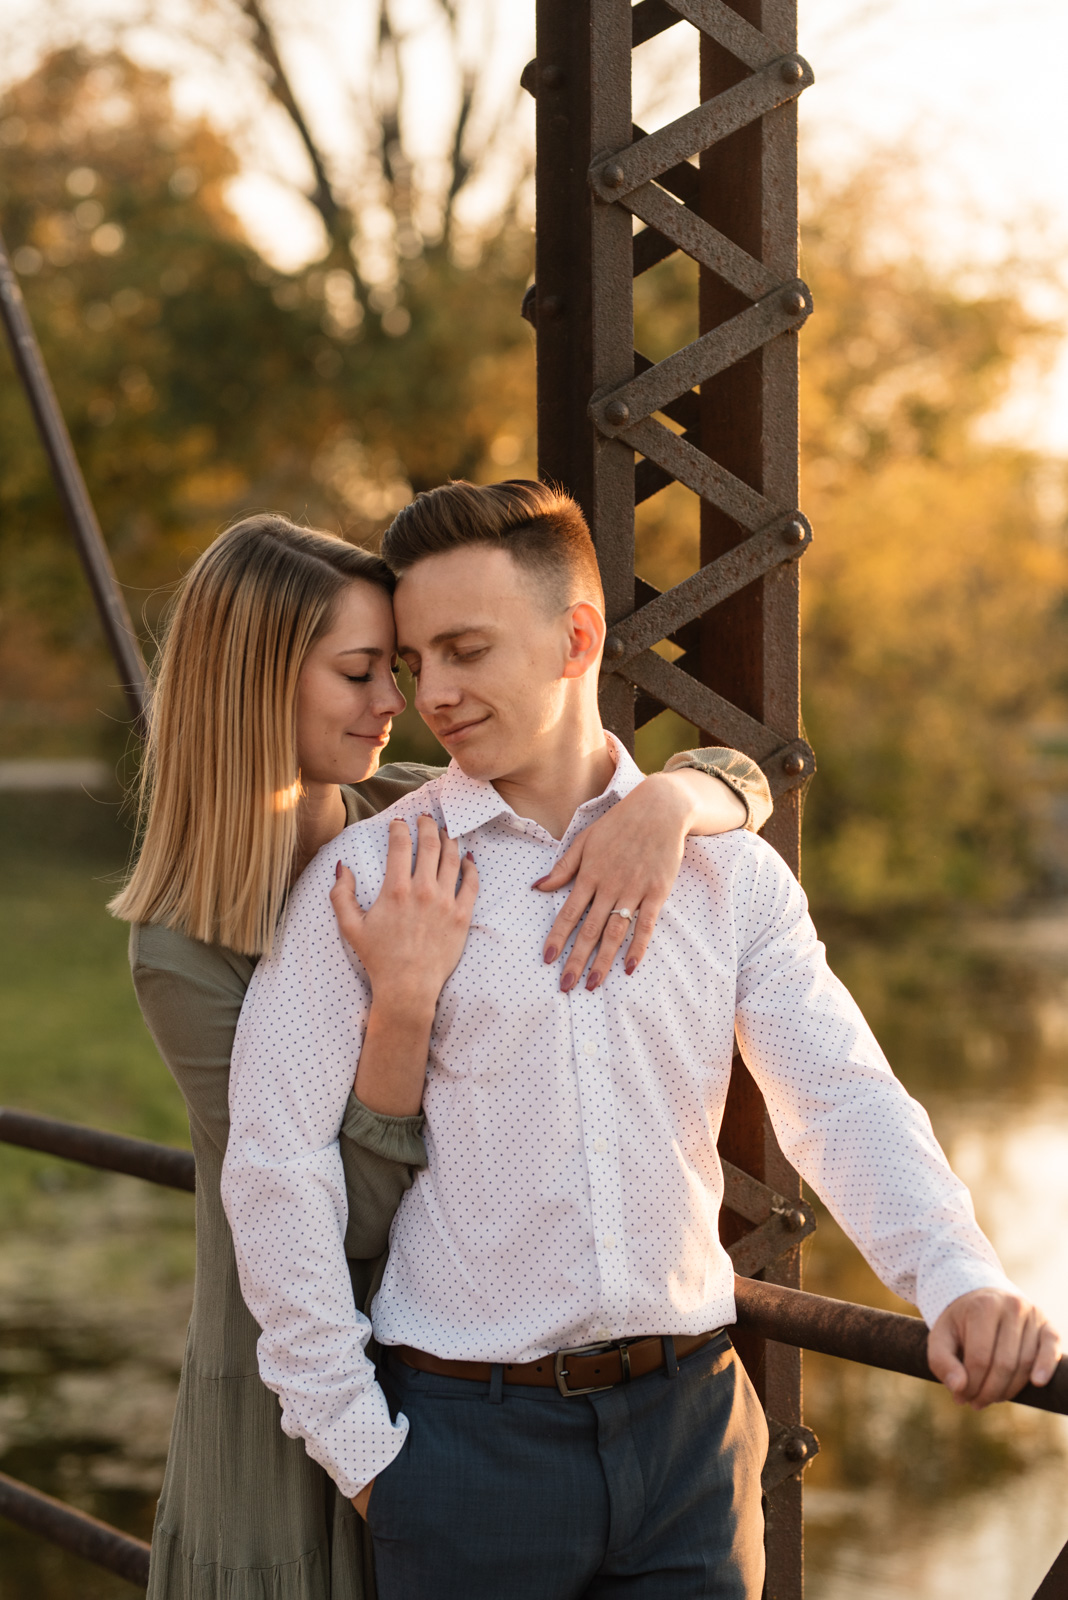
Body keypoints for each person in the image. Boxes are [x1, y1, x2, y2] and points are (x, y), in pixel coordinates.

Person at [222, 481, 1062, 1600]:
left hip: (693, 1444)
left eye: (466, 650)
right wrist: (367, 1455)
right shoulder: (371, 876)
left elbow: (841, 1096)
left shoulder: (726, 875)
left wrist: (957, 1277)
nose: (434, 693)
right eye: (417, 659)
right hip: (467, 1448)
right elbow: (275, 1166)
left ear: (577, 636)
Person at [107, 511, 774, 1600]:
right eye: (365, 672)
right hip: (310, 1374)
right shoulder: (181, 947)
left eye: (408, 668)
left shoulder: (407, 811)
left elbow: (731, 773)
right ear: (257, 683)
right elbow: (343, 1209)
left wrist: (672, 800)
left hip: (464, 1370)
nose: (401, 703)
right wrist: (404, 1002)